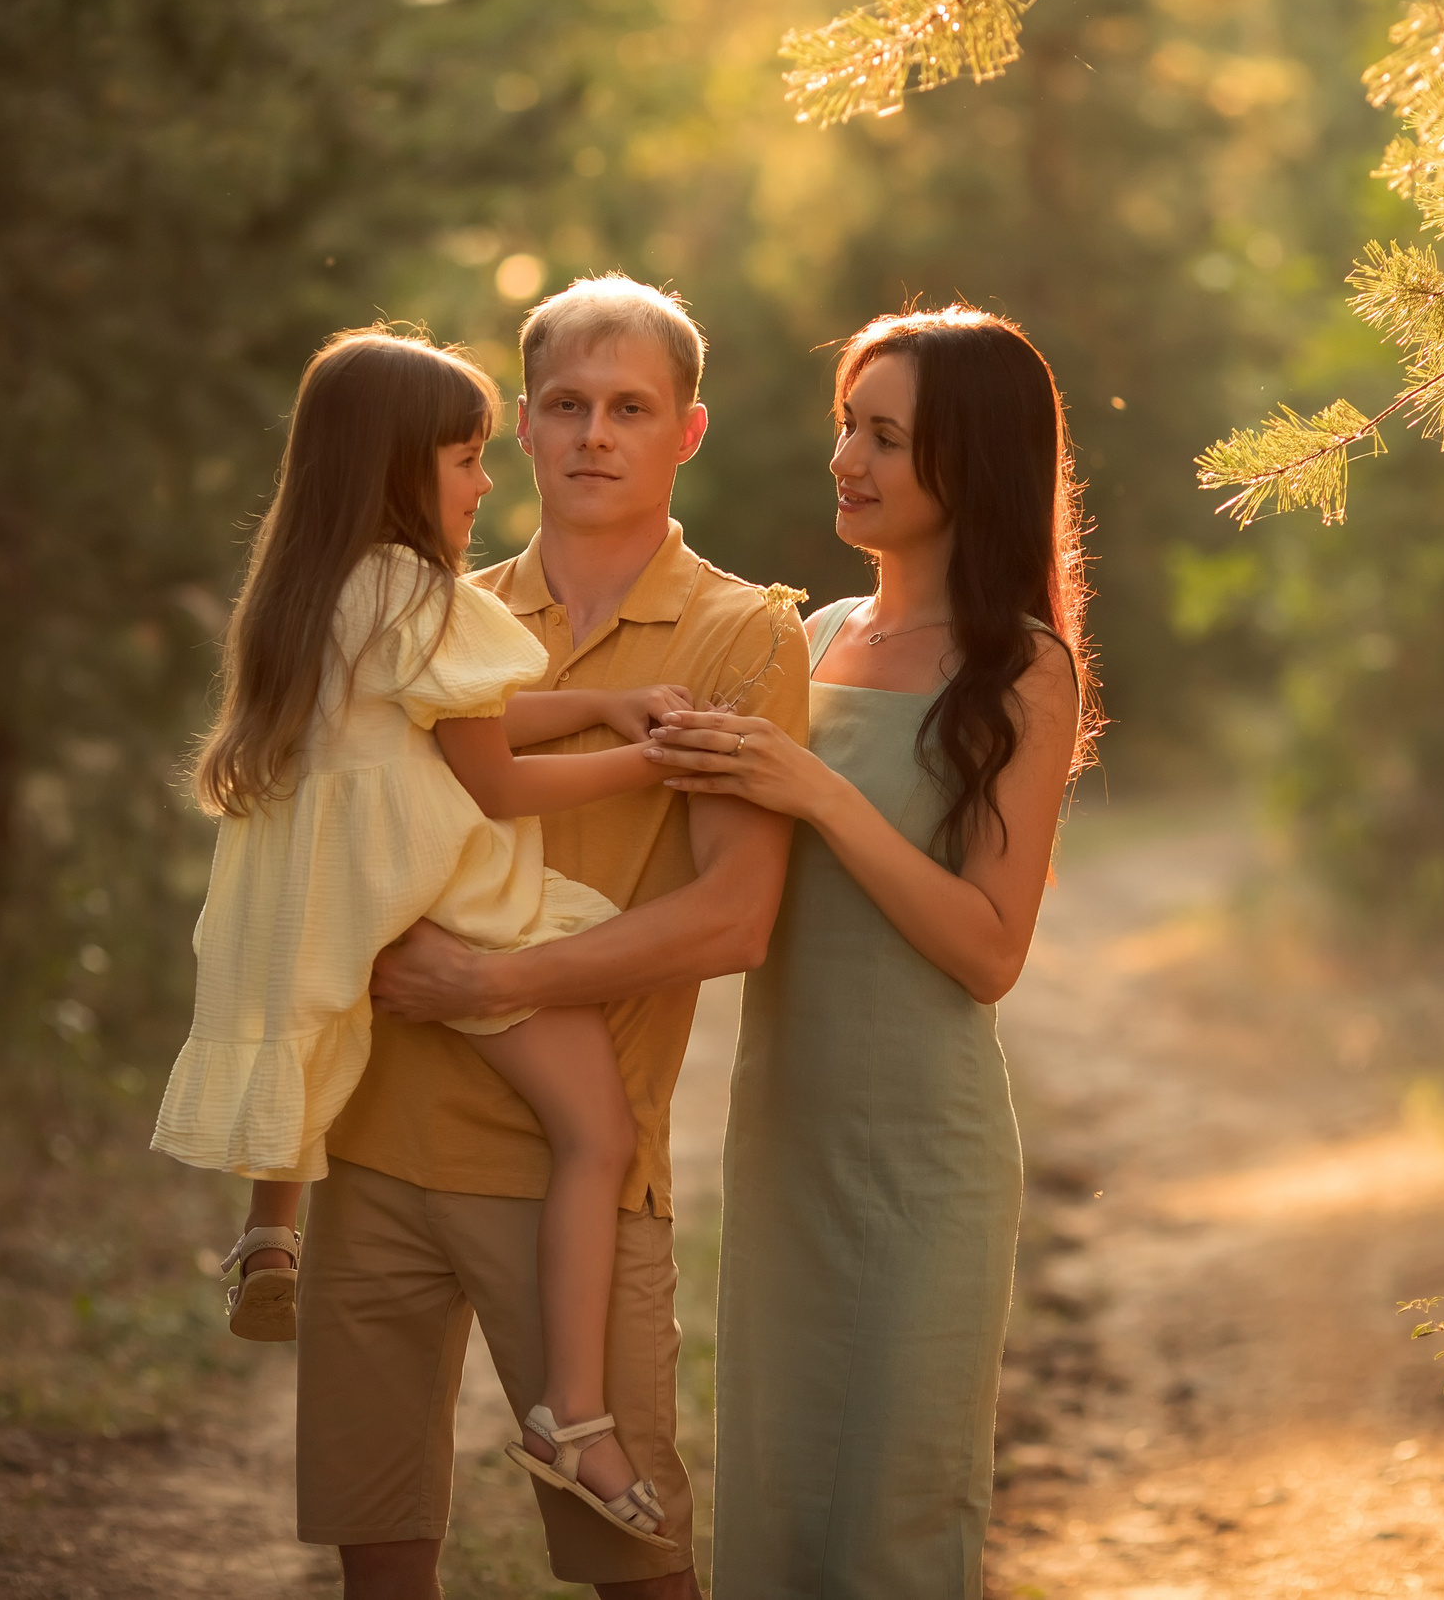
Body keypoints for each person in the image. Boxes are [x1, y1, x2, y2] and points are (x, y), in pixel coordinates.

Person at [151, 324, 696, 1546]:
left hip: (320, 901)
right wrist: (646, 759)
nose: (485, 484)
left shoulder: (308, 594)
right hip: (443, 905)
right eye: (465, 459)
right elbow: (491, 778)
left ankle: (269, 1234)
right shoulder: (425, 595)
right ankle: (573, 1415)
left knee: (312, 1036)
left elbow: (452, 723)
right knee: (597, 1134)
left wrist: (602, 701)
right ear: (402, 470)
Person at [324, 277, 811, 1599]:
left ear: (688, 431)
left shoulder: (740, 633)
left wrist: (488, 979)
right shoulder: (429, 614)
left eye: (631, 408)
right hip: (375, 1140)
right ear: (522, 425)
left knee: (637, 1563)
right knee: (378, 1562)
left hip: (574, 1167)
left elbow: (734, 914)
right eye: (567, 405)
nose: (596, 434)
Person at [644, 306, 1099, 1598]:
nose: (846, 457)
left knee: (898, 1509)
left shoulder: (1023, 670)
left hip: (924, 1153)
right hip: (786, 1133)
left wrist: (820, 793)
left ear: (972, 460)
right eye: (848, 424)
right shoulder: (807, 639)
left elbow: (989, 950)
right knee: (778, 1495)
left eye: (886, 437)